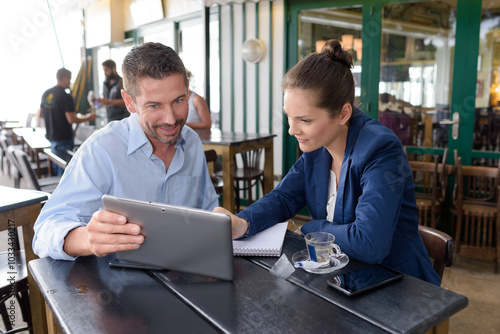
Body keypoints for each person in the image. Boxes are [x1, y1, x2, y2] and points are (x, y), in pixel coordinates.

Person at [215, 39, 441, 286]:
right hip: (341, 278)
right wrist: (243, 223)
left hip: (396, 286)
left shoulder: (381, 150)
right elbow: (284, 198)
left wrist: (312, 228)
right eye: (288, 116)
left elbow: (368, 244)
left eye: (304, 120)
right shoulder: (317, 146)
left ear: (343, 113)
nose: (292, 130)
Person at [33, 42, 219, 260]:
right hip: (116, 285)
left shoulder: (192, 142)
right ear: (130, 102)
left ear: (188, 90)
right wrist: (86, 238)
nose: (171, 119)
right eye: (154, 106)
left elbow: (207, 210)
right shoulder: (101, 150)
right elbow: (46, 230)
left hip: (185, 270)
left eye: (178, 100)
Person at [38, 68, 96, 176]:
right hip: (63, 138)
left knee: (56, 166)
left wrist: (52, 116)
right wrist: (88, 118)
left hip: (51, 137)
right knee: (66, 172)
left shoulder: (46, 94)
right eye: (70, 79)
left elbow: (40, 114)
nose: (70, 82)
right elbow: (71, 119)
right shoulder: (66, 96)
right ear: (65, 78)